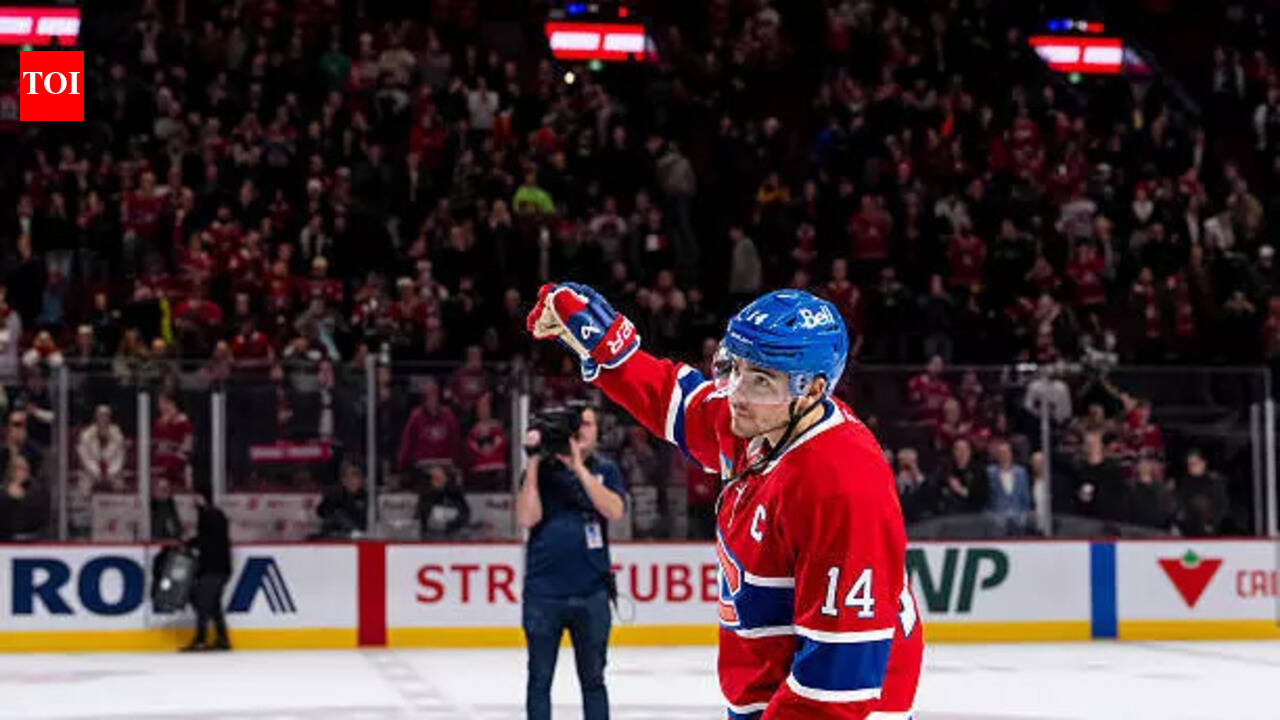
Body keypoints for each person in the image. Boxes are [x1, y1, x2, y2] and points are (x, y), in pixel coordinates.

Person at [527, 283, 922, 719]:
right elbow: (679, 405)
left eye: (761, 380)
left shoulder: (841, 486)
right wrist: (611, 353)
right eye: (734, 368)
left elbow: (836, 684)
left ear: (812, 391)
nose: (736, 392)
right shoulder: (764, 422)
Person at [514, 401, 625, 720]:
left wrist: (578, 467)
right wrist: (533, 461)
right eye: (575, 427)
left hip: (592, 592)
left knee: (594, 681)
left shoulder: (605, 469)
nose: (580, 432)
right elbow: (526, 517)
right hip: (543, 593)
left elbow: (614, 511)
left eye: (587, 425)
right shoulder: (542, 471)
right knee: (539, 680)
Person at [182, 487, 231, 652]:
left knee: (203, 604)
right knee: (214, 605)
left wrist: (190, 543)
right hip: (219, 568)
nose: (193, 501)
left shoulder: (209, 515)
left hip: (213, 568)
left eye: (196, 497)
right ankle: (223, 638)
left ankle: (201, 639)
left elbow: (207, 540)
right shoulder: (213, 515)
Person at [316, 463, 369, 538]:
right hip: (336, 534)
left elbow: (369, 518)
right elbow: (321, 512)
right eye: (350, 478)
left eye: (357, 477)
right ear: (344, 480)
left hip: (360, 534)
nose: (354, 481)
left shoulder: (365, 496)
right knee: (338, 513)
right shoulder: (335, 493)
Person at [417, 464, 471, 538]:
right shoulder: (426, 495)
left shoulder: (455, 494)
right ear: (431, 480)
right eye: (435, 478)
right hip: (432, 537)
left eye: (440, 477)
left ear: (446, 478)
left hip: (453, 535)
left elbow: (465, 514)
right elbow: (421, 516)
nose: (438, 480)